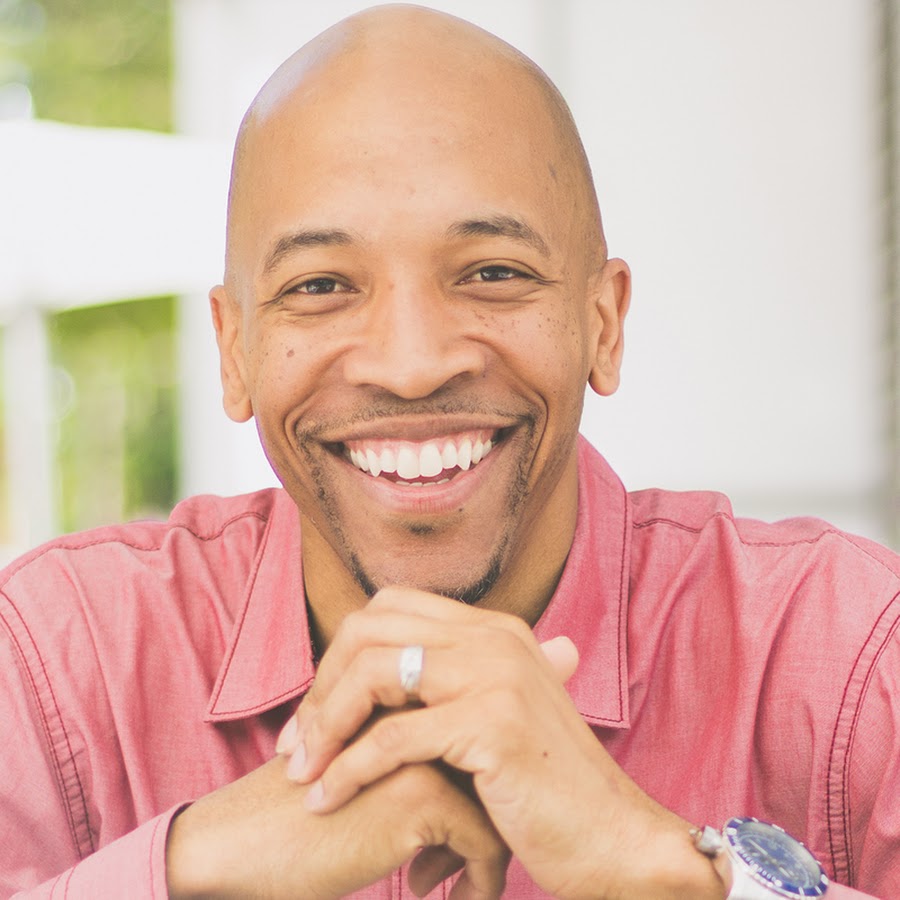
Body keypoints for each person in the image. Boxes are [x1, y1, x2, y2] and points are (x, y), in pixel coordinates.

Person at [1, 4, 897, 898]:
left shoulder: (850, 651)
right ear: (234, 352)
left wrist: (660, 867)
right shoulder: (55, 665)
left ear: (604, 323)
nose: (412, 366)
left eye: (493, 273)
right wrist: (196, 861)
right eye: (320, 285)